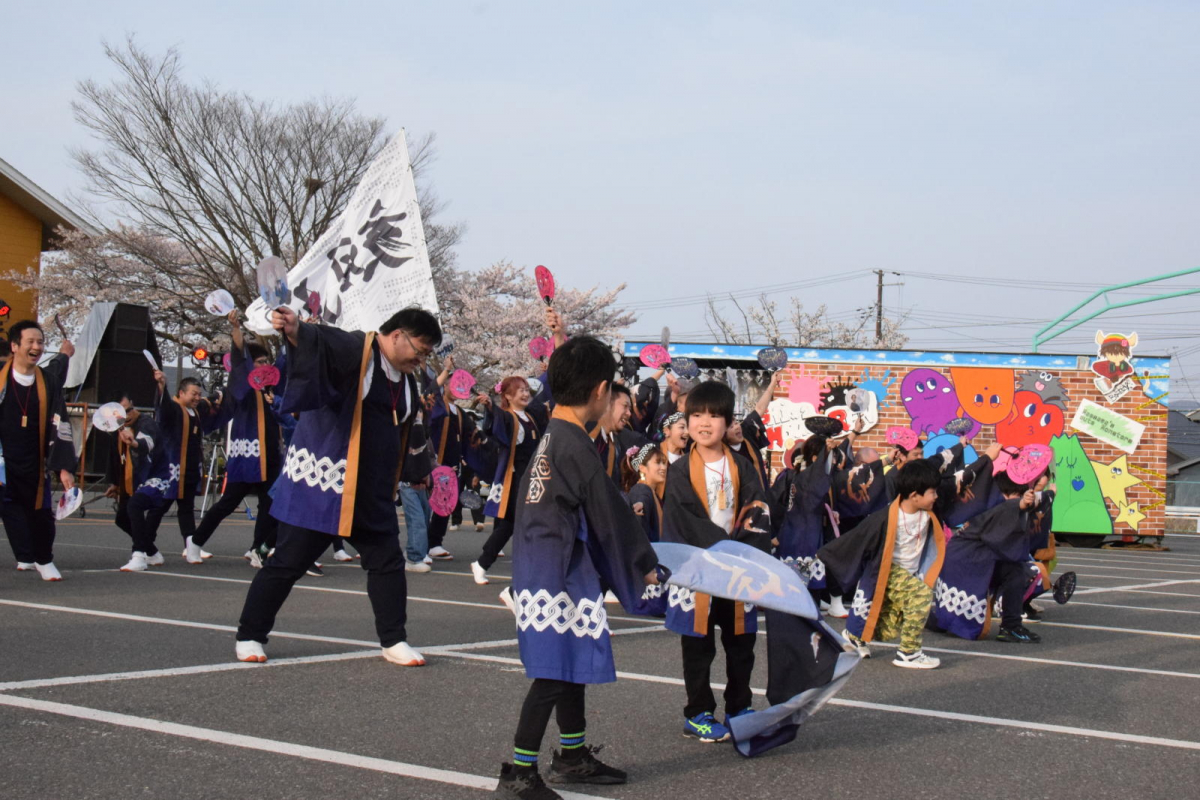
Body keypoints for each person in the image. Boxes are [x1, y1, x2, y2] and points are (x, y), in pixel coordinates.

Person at [491, 335, 660, 800]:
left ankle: (571, 754)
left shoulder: (554, 433)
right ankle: (519, 773)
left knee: (566, 664)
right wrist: (644, 565)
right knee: (552, 671)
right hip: (556, 569)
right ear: (601, 390)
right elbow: (611, 517)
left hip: (540, 562)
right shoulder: (575, 446)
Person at [233, 305, 441, 666]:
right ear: (397, 335)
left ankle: (394, 640)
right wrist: (295, 330)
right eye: (420, 351)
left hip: (372, 489)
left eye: (426, 355)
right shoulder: (356, 349)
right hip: (325, 482)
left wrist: (416, 469)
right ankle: (250, 633)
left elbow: (406, 430)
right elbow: (320, 342)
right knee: (288, 561)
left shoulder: (408, 379)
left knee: (387, 562)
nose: (421, 361)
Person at [661, 380, 771, 744]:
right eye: (696, 415)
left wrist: (742, 551)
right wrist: (724, 548)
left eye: (713, 415)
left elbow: (758, 511)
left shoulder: (742, 465)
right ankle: (698, 712)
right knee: (698, 647)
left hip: (737, 571)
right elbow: (683, 522)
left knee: (742, 645)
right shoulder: (677, 472)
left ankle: (739, 706)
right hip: (699, 573)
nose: (704, 423)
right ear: (686, 420)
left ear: (727, 421)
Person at [818, 459, 945, 669]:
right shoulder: (884, 518)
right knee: (920, 596)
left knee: (886, 617)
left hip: (912, 572)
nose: (936, 496)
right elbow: (856, 538)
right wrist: (825, 554)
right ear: (914, 495)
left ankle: (853, 637)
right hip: (887, 570)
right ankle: (909, 652)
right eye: (932, 492)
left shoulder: (930, 512)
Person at [188, 312, 284, 563]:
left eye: (266, 361)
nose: (265, 365)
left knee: (270, 503)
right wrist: (235, 327)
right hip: (248, 454)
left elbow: (288, 362)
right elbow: (240, 359)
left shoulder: (273, 389)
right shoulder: (242, 388)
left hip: (272, 453)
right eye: (260, 361)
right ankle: (196, 542)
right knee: (227, 503)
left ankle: (256, 549)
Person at [1, 320, 76, 580]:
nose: (37, 347)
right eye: (30, 342)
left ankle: (44, 559)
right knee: (8, 507)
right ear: (14, 346)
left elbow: (60, 422)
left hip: (36, 461)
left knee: (41, 515)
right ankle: (25, 555)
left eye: (41, 342)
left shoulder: (49, 382)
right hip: (2, 462)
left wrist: (63, 467)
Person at [931, 471, 1045, 644]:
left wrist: (1035, 495)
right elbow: (1009, 511)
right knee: (1016, 571)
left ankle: (1011, 625)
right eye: (1015, 496)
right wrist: (1021, 503)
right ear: (1003, 493)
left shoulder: (993, 505)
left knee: (1016, 570)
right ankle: (1011, 626)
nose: (1018, 500)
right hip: (965, 563)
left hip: (972, 560)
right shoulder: (995, 507)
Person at [121, 373, 215, 572]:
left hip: (189, 468)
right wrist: (162, 386)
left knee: (186, 507)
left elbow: (211, 403)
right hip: (170, 468)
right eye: (193, 394)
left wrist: (220, 395)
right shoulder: (173, 408)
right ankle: (147, 547)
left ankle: (191, 547)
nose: (197, 398)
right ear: (180, 393)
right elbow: (162, 407)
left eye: (199, 394)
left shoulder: (195, 412)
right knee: (158, 508)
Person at [471, 376, 540, 586]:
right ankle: (488, 563)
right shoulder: (509, 418)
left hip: (532, 477)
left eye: (527, 389)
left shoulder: (530, 418)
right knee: (519, 523)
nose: (526, 393)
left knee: (511, 524)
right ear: (508, 396)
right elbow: (498, 425)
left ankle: (483, 563)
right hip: (516, 478)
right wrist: (491, 407)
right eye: (520, 390)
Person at [104, 391, 158, 547]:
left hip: (149, 479)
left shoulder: (145, 423)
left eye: (128, 410)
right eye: (121, 413)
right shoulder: (117, 427)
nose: (126, 415)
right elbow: (115, 457)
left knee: (136, 512)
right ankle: (148, 548)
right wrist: (114, 483)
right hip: (128, 481)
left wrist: (134, 443)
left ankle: (142, 550)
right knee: (122, 519)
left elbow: (146, 443)